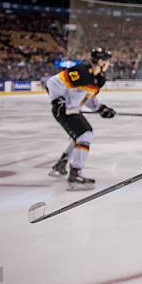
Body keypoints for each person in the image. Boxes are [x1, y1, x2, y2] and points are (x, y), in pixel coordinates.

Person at [47, 48, 117, 191]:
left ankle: (61, 164)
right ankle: (75, 174)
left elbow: (87, 98)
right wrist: (57, 100)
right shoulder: (80, 71)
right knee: (86, 134)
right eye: (107, 61)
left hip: (71, 110)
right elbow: (52, 82)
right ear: (101, 61)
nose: (109, 64)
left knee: (80, 136)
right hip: (64, 109)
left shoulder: (99, 79)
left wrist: (100, 108)